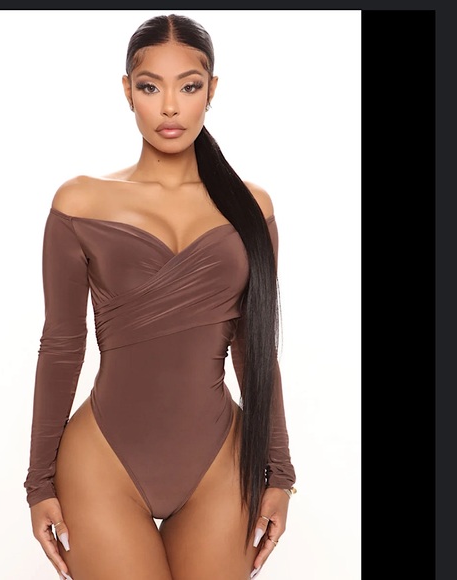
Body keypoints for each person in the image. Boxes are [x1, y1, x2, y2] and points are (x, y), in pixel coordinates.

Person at [23, 13, 296, 580]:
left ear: (211, 90)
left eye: (188, 86)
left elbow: (254, 349)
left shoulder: (253, 209)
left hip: (222, 463)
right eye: (151, 87)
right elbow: (62, 346)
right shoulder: (80, 202)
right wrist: (38, 484)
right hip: (103, 464)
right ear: (128, 91)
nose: (170, 107)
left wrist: (280, 472)